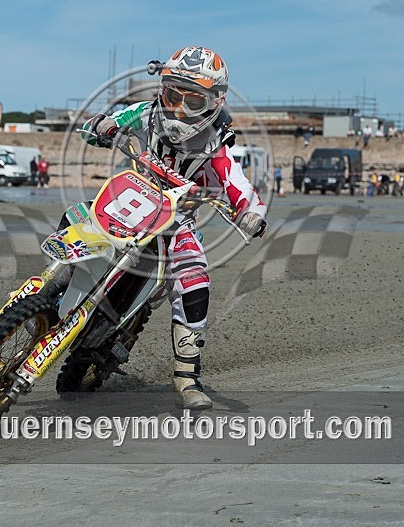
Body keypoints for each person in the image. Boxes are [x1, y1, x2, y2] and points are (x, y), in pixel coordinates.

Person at [81, 46, 267, 410]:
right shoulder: (147, 113)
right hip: (129, 198)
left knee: (195, 275)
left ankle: (186, 376)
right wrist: (102, 126)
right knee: (77, 217)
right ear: (162, 89)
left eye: (193, 100)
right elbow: (100, 127)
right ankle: (45, 296)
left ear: (215, 101)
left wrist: (250, 211)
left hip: (175, 219)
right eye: (173, 95)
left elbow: (236, 181)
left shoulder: (217, 142)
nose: (179, 108)